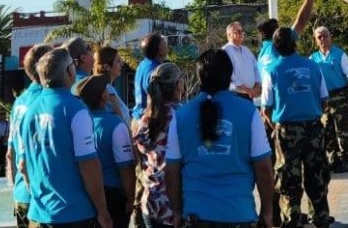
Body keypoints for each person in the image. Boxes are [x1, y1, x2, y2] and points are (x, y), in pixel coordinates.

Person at [165, 49, 273, 228]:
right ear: (230, 76)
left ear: (199, 79)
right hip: (240, 215)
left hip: (196, 217)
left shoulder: (181, 116)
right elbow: (264, 171)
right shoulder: (249, 112)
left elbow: (171, 173)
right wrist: (267, 212)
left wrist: (176, 212)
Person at [19, 47, 113, 228]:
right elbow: (89, 165)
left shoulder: (29, 111)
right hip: (73, 215)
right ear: (68, 71)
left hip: (38, 215)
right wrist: (103, 211)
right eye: (73, 65)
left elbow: (22, 166)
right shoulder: (75, 109)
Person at [261, 27, 330, 228]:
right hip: (314, 130)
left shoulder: (271, 70)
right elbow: (324, 100)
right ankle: (321, 217)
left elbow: (266, 108)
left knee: (288, 181)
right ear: (295, 43)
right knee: (316, 176)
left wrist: (277, 127)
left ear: (275, 47)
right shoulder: (313, 66)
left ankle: (292, 220)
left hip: (286, 132)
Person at [76, 74, 137, 228]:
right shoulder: (116, 124)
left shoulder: (81, 123)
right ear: (104, 96)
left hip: (87, 195)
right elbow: (126, 168)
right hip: (113, 198)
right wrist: (132, 200)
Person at [132, 62, 184, 228]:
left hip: (150, 202)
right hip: (174, 205)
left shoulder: (145, 120)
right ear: (177, 85)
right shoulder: (183, 116)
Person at [8, 43, 53, 228]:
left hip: (20, 196)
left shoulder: (19, 102)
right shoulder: (46, 102)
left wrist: (15, 189)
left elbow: (10, 153)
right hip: (42, 201)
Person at [310, 26, 348, 174]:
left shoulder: (340, 55)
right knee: (327, 129)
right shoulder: (313, 59)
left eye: (325, 36)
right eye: (319, 37)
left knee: (342, 129)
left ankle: (344, 160)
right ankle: (333, 159)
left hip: (340, 96)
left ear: (330, 36)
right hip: (323, 99)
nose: (323, 39)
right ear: (316, 40)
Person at [132, 33, 168, 121]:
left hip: (138, 117)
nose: (167, 45)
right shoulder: (154, 70)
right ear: (159, 51)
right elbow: (155, 96)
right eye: (164, 43)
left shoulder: (143, 65)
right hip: (148, 119)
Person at [223, 22, 261, 101]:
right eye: (237, 31)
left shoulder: (246, 50)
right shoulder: (225, 51)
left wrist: (257, 86)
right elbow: (230, 75)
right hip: (236, 95)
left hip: (251, 95)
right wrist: (248, 90)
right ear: (229, 35)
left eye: (241, 31)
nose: (241, 33)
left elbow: (256, 67)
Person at [95, 45, 130, 124]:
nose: (122, 64)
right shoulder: (108, 90)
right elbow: (121, 122)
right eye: (118, 61)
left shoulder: (108, 88)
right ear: (107, 66)